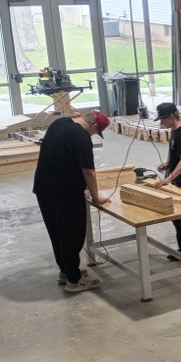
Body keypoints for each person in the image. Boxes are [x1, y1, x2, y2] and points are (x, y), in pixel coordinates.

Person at [33, 109, 111, 294]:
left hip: (43, 189)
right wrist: (96, 196)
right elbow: (89, 171)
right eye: (95, 132)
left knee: (57, 234)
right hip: (65, 193)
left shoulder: (59, 123)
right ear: (92, 126)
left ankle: (66, 272)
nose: (93, 135)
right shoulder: (82, 137)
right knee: (71, 235)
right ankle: (74, 281)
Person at [153, 102, 181, 253]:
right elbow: (179, 155)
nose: (162, 122)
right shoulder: (174, 131)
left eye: (164, 119)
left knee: (179, 216)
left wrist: (169, 178)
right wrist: (168, 163)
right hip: (179, 177)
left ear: (172, 116)